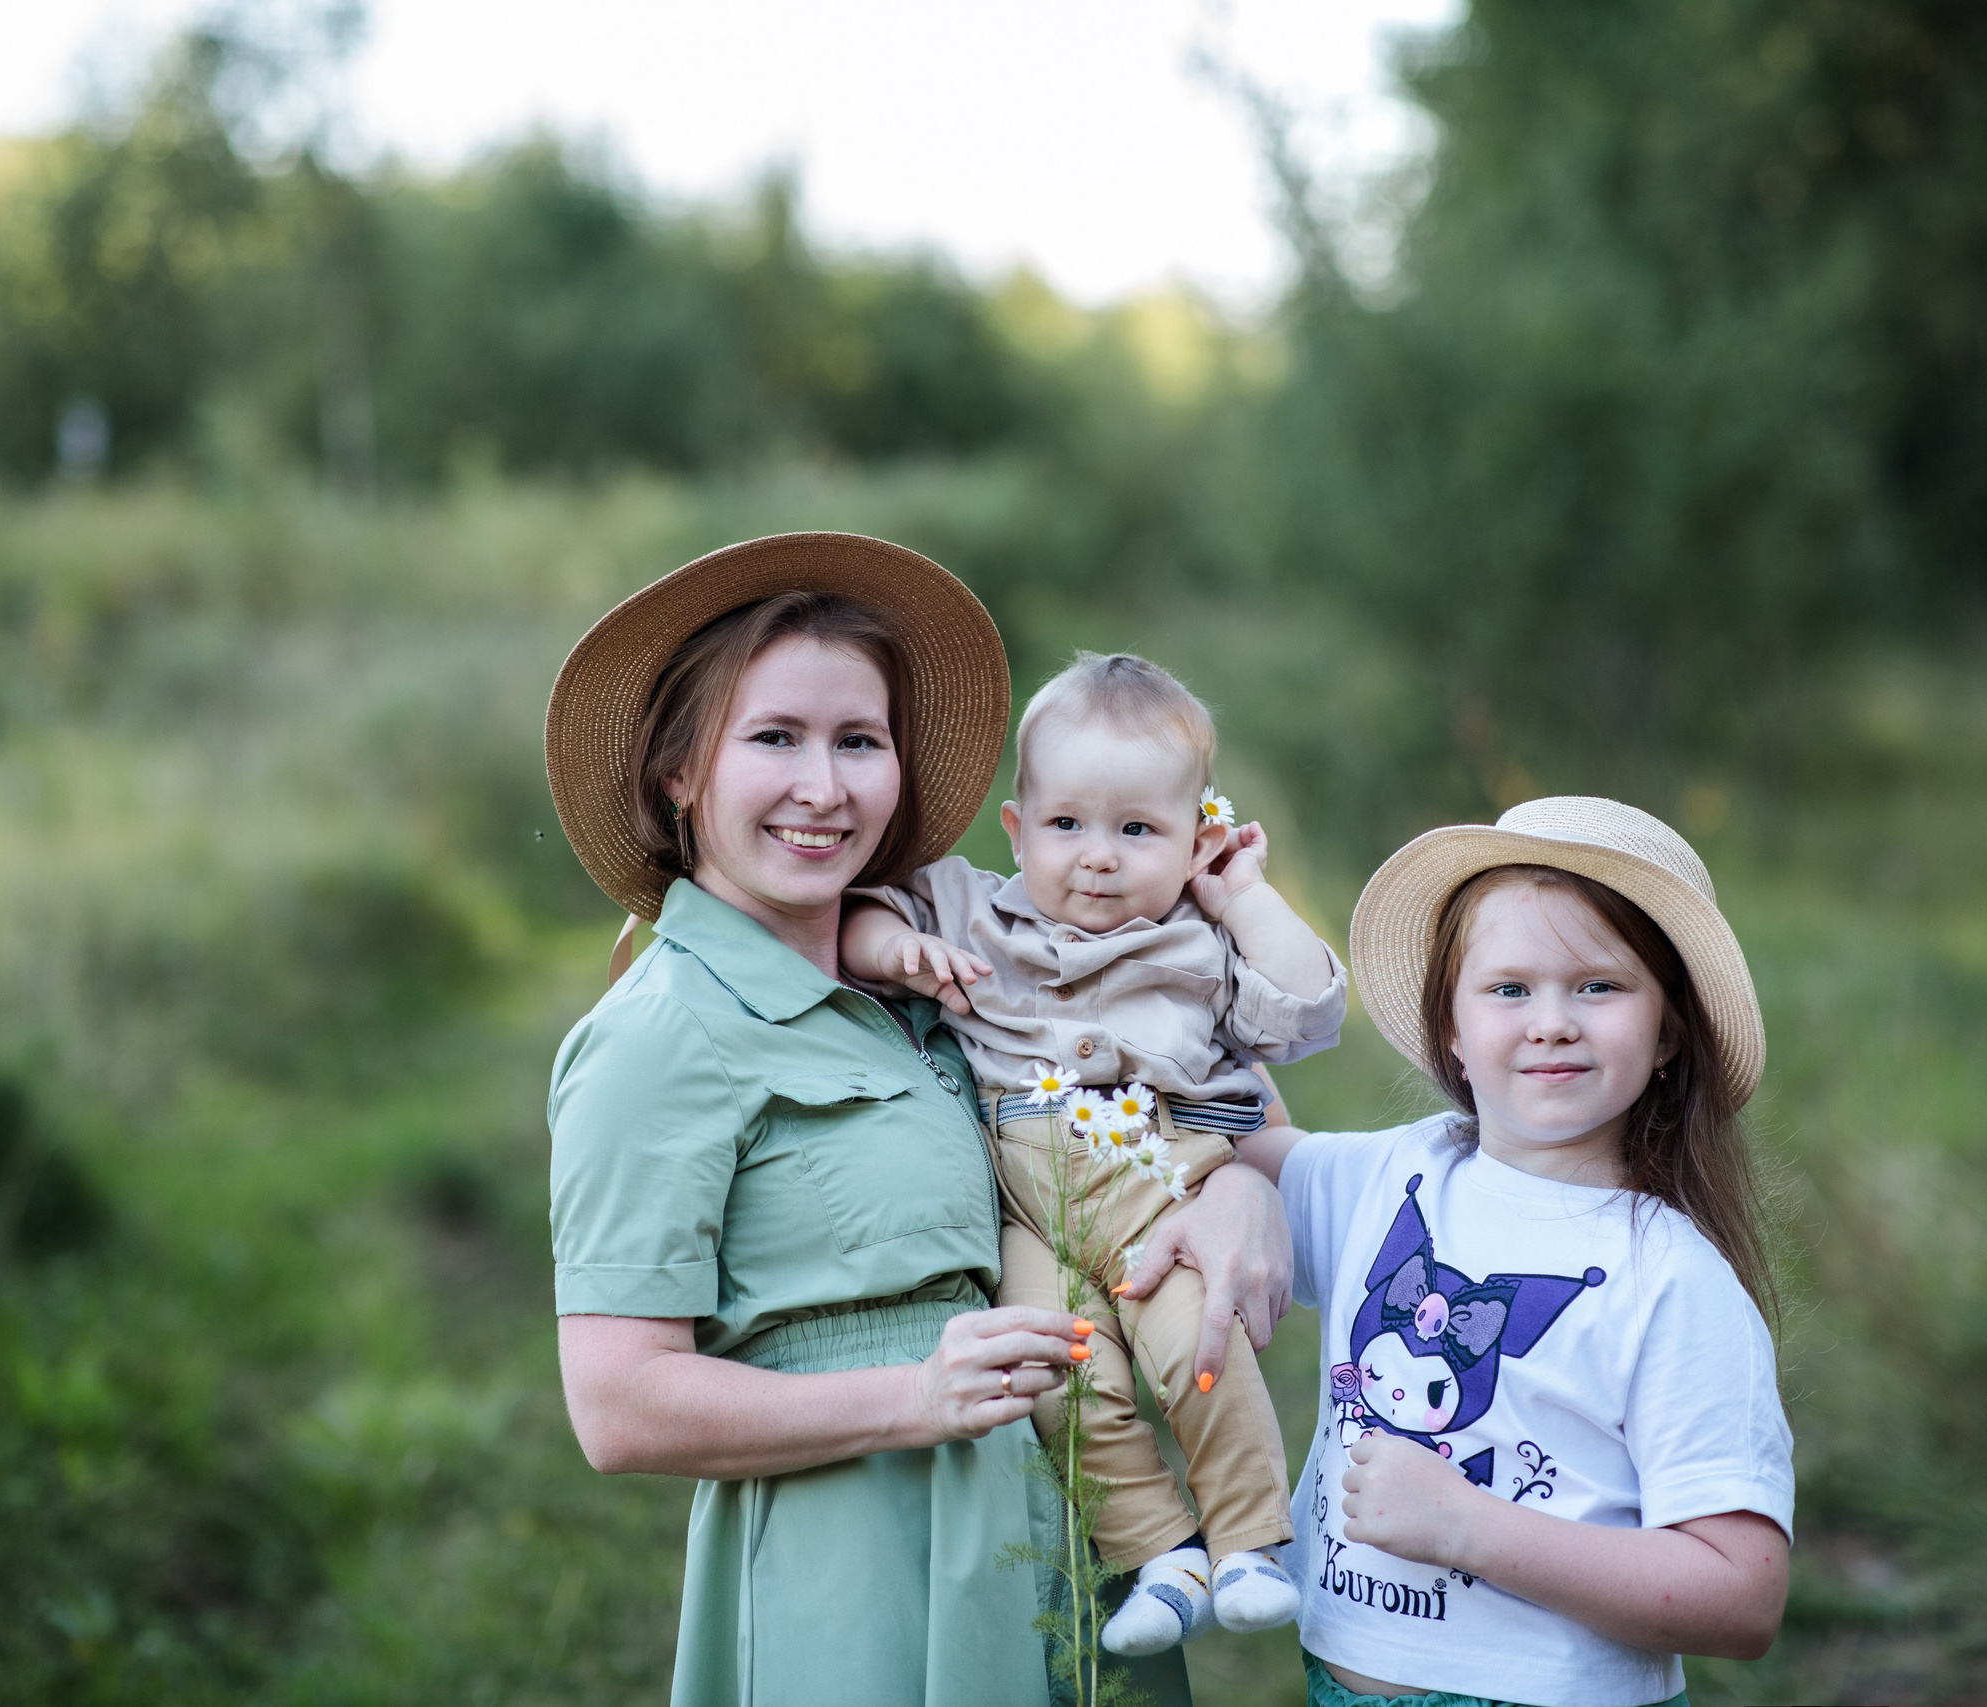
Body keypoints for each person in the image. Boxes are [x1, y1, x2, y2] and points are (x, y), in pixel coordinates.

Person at [540, 534, 1293, 1707]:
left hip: (1071, 1539)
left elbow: (1214, 1102)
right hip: (859, 1571)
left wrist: (1240, 1185)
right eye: (774, 738)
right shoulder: (660, 1034)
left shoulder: (965, 958)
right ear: (679, 771)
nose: (824, 787)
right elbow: (618, 1405)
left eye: (859, 741)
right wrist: (912, 1399)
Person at [838, 651, 1346, 1655]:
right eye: (1066, 825)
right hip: (1034, 1213)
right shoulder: (972, 907)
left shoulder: (1200, 946)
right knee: (1053, 1373)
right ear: (1019, 831)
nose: (1099, 857)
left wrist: (1239, 894)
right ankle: (1157, 1552)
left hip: (1169, 1192)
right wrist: (895, 953)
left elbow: (1310, 1008)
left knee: (1198, 1355)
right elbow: (861, 916)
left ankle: (1246, 1541)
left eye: (1138, 831)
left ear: (1193, 841)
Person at [1234, 797, 1793, 1707]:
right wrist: (1208, 918)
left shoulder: (1671, 1276)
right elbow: (1218, 1135)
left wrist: (1469, 1527)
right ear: (1450, 1026)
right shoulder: (1394, 1174)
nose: (1551, 1021)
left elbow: (1743, 1594)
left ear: (1668, 1034)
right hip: (1338, 1685)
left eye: (1599, 986)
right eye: (1508, 988)